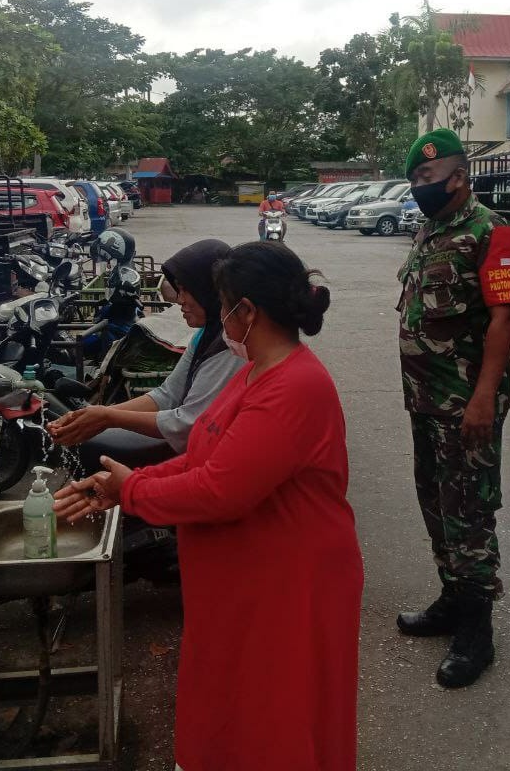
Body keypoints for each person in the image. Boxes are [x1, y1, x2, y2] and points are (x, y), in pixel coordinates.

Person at [54, 242, 363, 771]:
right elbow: (204, 452)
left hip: (290, 584)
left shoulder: (295, 387)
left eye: (222, 306)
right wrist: (120, 485)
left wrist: (133, 491)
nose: (216, 319)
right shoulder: (251, 373)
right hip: (244, 582)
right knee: (231, 709)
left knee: (277, 716)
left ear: (247, 312)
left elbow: (220, 490)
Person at [395, 127, 510, 689]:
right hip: (425, 400)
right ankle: (451, 599)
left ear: (459, 176)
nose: (419, 188)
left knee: (469, 511)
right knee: (434, 502)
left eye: (427, 177)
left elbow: (507, 318)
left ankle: (477, 630)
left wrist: (482, 399)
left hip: (465, 403)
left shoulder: (494, 233)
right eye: (414, 181)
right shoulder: (430, 230)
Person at [48, 239, 245, 471]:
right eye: (178, 289)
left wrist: (108, 418)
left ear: (209, 291)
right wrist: (95, 414)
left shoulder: (232, 347)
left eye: (186, 290)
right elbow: (166, 395)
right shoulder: (205, 334)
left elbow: (188, 423)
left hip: (208, 458)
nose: (179, 300)